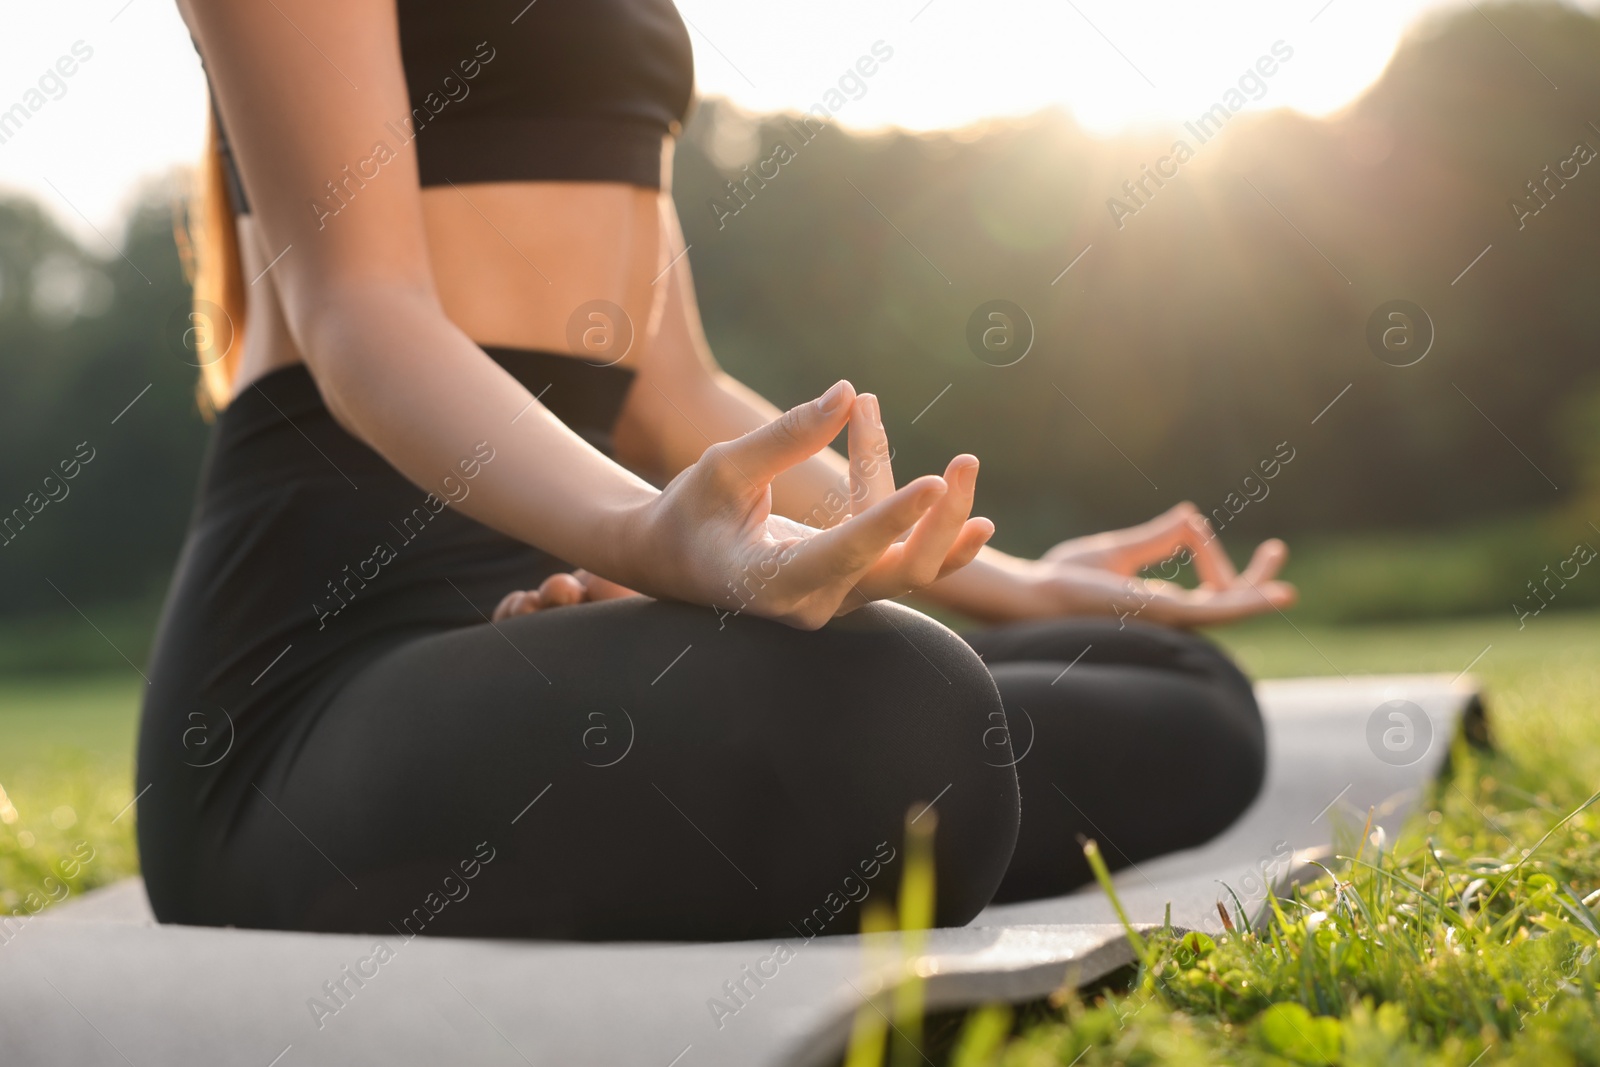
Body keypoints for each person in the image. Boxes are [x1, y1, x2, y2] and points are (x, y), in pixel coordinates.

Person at [138, 0, 1296, 941]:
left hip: (583, 581)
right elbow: (363, 316)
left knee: (1183, 686)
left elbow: (666, 386)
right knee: (913, 722)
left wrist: (1019, 581)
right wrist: (639, 537)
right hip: (321, 675)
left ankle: (673, 741)